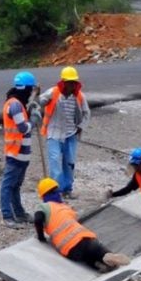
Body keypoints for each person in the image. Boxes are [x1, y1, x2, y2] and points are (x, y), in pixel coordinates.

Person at [34, 178, 130, 272]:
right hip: (84, 238)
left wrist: (41, 237)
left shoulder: (44, 207)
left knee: (85, 258)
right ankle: (107, 256)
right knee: (97, 250)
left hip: (67, 248)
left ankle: (96, 265)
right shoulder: (65, 208)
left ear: (43, 196)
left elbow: (38, 219)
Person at [39, 66, 91, 200]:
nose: (71, 85)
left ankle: (68, 189)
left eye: (73, 82)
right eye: (69, 82)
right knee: (55, 163)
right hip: (54, 134)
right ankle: (56, 191)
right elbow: (40, 101)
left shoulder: (79, 96)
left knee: (70, 162)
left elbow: (86, 113)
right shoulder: (53, 92)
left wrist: (80, 126)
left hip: (71, 135)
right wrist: (40, 98)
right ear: (63, 82)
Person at [1, 71, 37, 229]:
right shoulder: (15, 105)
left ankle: (20, 214)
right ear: (26, 89)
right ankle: (7, 216)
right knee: (8, 185)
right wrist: (34, 121)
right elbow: (23, 128)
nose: (31, 93)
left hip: (22, 154)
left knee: (15, 186)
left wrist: (30, 111)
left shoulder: (18, 104)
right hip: (15, 153)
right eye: (30, 90)